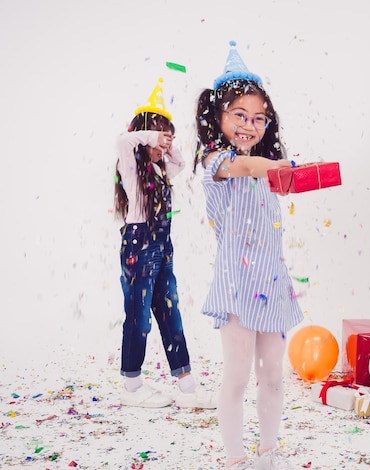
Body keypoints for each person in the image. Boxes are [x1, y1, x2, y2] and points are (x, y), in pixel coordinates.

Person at [193, 42, 303, 469]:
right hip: (237, 286)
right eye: (239, 115)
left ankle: (268, 451)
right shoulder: (216, 161)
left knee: (273, 375)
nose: (249, 125)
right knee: (237, 376)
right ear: (218, 118)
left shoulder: (266, 168)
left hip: (272, 284)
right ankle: (236, 458)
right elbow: (243, 168)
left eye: (258, 118)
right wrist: (280, 167)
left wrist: (282, 170)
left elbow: (262, 174)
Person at [114, 78, 216, 409]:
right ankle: (131, 386)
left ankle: (187, 387)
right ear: (144, 134)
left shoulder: (160, 168)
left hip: (161, 245)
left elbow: (181, 164)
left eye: (166, 137)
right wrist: (150, 137)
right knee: (139, 315)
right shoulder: (130, 167)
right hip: (138, 245)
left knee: (170, 311)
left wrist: (168, 147)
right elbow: (122, 140)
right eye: (158, 136)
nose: (162, 145)